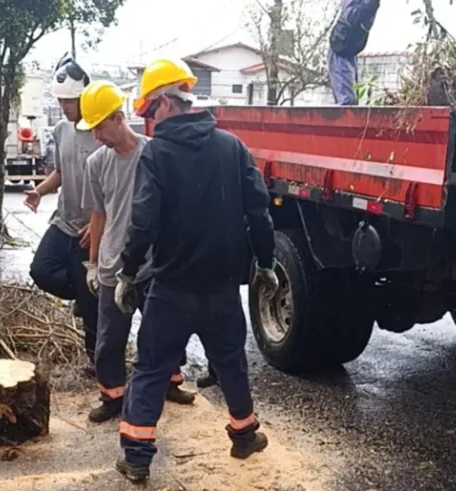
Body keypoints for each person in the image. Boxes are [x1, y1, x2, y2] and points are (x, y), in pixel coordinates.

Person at [113, 58, 279, 483]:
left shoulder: (157, 155)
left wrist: (127, 272)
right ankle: (244, 437)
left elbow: (143, 222)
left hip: (171, 288)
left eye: (150, 110)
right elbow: (259, 213)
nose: (148, 120)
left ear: (167, 102)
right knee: (231, 363)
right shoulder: (232, 147)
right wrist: (265, 262)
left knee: (151, 368)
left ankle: (136, 457)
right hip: (222, 289)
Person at [77, 80, 196, 424]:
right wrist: (93, 263)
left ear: (118, 118)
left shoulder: (153, 152)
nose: (96, 136)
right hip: (115, 264)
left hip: (154, 264)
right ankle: (112, 395)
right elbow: (97, 215)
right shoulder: (97, 164)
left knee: (163, 332)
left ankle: (171, 383)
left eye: (99, 126)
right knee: (109, 338)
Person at [26, 54, 102, 375]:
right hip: (63, 221)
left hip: (91, 227)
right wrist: (39, 191)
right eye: (60, 102)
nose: (64, 108)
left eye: (69, 102)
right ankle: (79, 298)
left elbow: (112, 183)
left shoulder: (100, 132)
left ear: (84, 96)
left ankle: (97, 362)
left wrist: (102, 225)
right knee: (41, 270)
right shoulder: (61, 130)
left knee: (92, 301)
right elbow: (60, 171)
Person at [327, 0, 380, 105]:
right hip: (341, 49)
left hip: (347, 49)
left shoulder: (363, 9)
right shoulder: (359, 9)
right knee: (347, 101)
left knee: (350, 100)